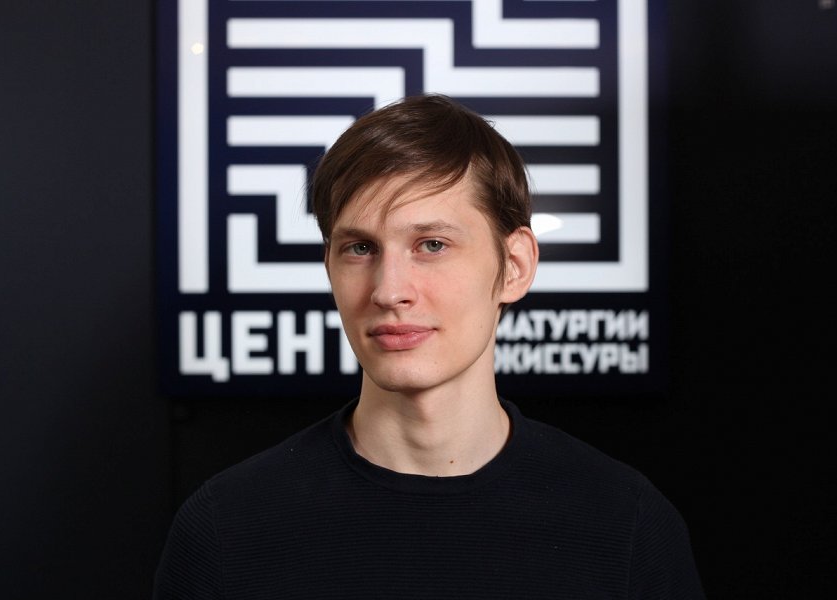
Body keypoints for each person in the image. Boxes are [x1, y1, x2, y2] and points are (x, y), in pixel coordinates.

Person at [154, 94, 705, 599]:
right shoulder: (226, 528)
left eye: (432, 244)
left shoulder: (626, 525)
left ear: (514, 266)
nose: (389, 290)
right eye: (360, 248)